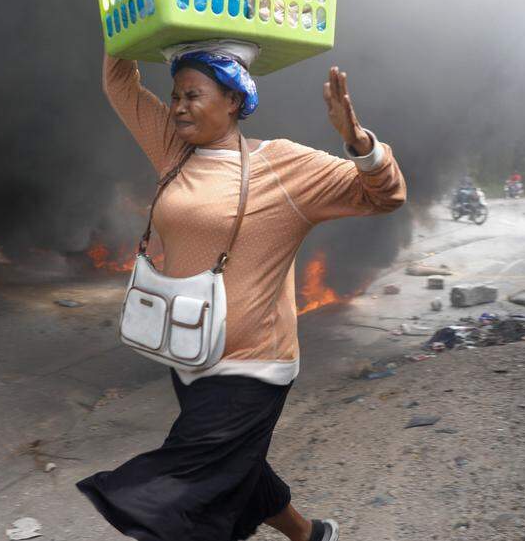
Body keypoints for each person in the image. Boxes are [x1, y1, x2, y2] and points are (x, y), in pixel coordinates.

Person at [77, 50, 406, 541]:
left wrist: (358, 143)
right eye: (175, 97)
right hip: (188, 351)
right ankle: (310, 535)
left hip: (253, 365)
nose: (179, 107)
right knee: (237, 467)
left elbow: (385, 195)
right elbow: (120, 83)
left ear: (233, 99)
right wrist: (127, 20)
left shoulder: (282, 165)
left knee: (180, 492)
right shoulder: (174, 149)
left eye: (193, 95)